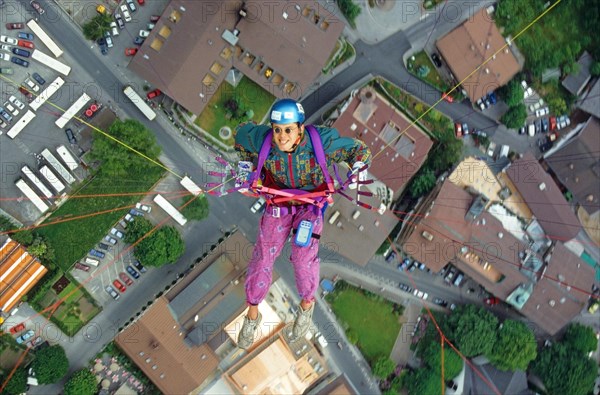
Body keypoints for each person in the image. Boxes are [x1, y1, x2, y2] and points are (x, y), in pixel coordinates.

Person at [234, 98, 371, 349]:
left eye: (287, 130)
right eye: (277, 129)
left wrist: (358, 168)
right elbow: (240, 134)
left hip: (310, 205)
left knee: (301, 256)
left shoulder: (321, 141)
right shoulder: (263, 139)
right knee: (263, 256)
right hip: (278, 204)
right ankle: (252, 315)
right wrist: (245, 169)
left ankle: (306, 307)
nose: (281, 137)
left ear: (299, 127)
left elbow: (358, 150)